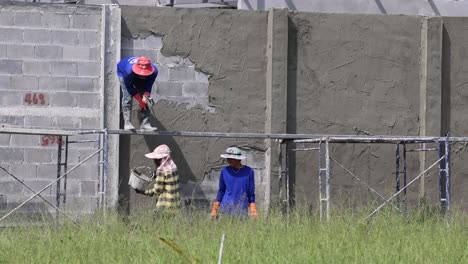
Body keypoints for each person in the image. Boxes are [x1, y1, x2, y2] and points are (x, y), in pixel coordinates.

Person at [211, 147, 257, 219]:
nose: (228, 160)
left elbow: (251, 192)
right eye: (228, 158)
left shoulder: (249, 172)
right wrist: (215, 209)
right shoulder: (224, 171)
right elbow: (221, 190)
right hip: (225, 209)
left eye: (231, 158)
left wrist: (253, 210)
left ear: (238, 159)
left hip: (241, 210)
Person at [117, 56, 158, 131]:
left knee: (146, 99)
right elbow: (129, 88)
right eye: (141, 74)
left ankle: (145, 124)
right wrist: (139, 99)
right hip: (122, 72)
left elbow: (149, 85)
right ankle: (127, 123)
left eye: (144, 74)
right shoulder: (128, 72)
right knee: (127, 97)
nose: (142, 76)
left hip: (137, 75)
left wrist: (145, 96)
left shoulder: (154, 71)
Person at [136, 144, 181, 213]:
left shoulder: (161, 171)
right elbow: (168, 182)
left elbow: (157, 190)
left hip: (164, 207)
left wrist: (143, 192)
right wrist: (156, 176)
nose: (155, 161)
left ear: (161, 159)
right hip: (175, 206)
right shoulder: (174, 168)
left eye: (156, 159)